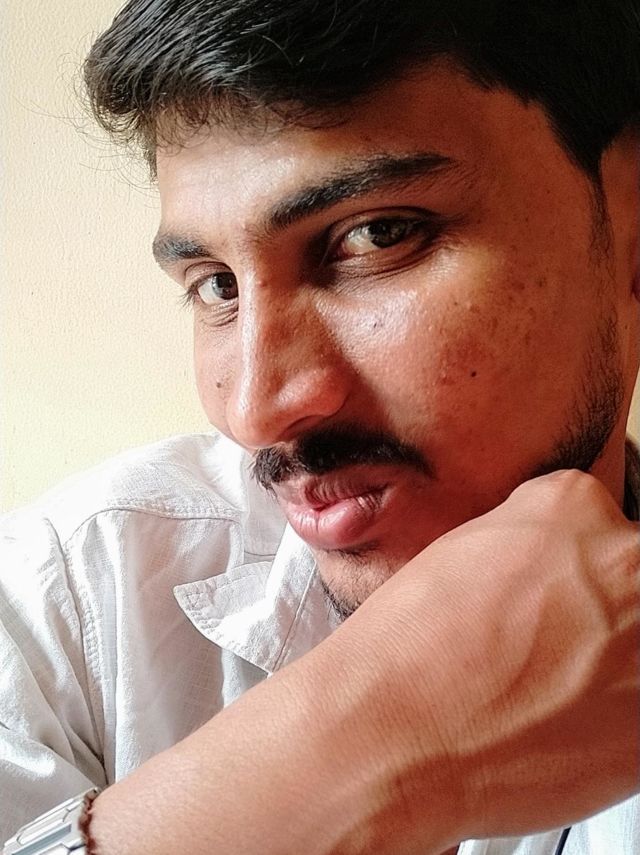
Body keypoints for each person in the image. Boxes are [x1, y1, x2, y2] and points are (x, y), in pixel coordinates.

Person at [1, 1, 639, 853]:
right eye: (217, 285)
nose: (255, 409)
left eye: (376, 235)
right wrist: (374, 743)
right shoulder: (72, 595)